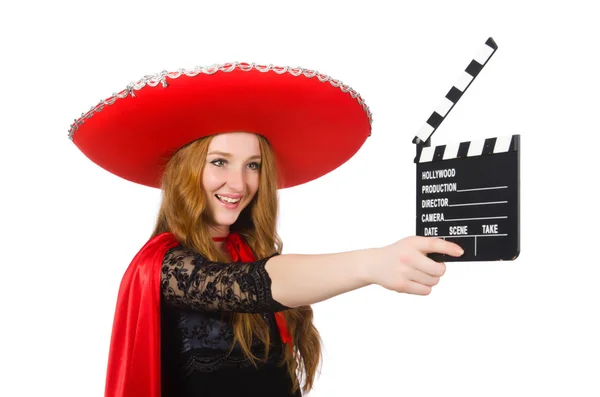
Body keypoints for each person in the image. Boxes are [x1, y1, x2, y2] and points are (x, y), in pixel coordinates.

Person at [68, 62, 463, 397]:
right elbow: (257, 284)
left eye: (252, 165)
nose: (239, 184)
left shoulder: (248, 250)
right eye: (220, 162)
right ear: (185, 171)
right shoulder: (165, 266)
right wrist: (373, 263)